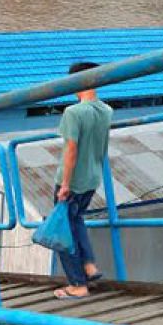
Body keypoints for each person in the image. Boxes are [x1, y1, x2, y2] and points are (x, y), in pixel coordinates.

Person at [53, 61, 113, 299]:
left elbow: (71, 149)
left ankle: (77, 284)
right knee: (76, 222)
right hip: (92, 178)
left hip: (72, 180)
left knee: (62, 231)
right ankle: (89, 265)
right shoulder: (106, 110)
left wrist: (65, 184)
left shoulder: (73, 112)